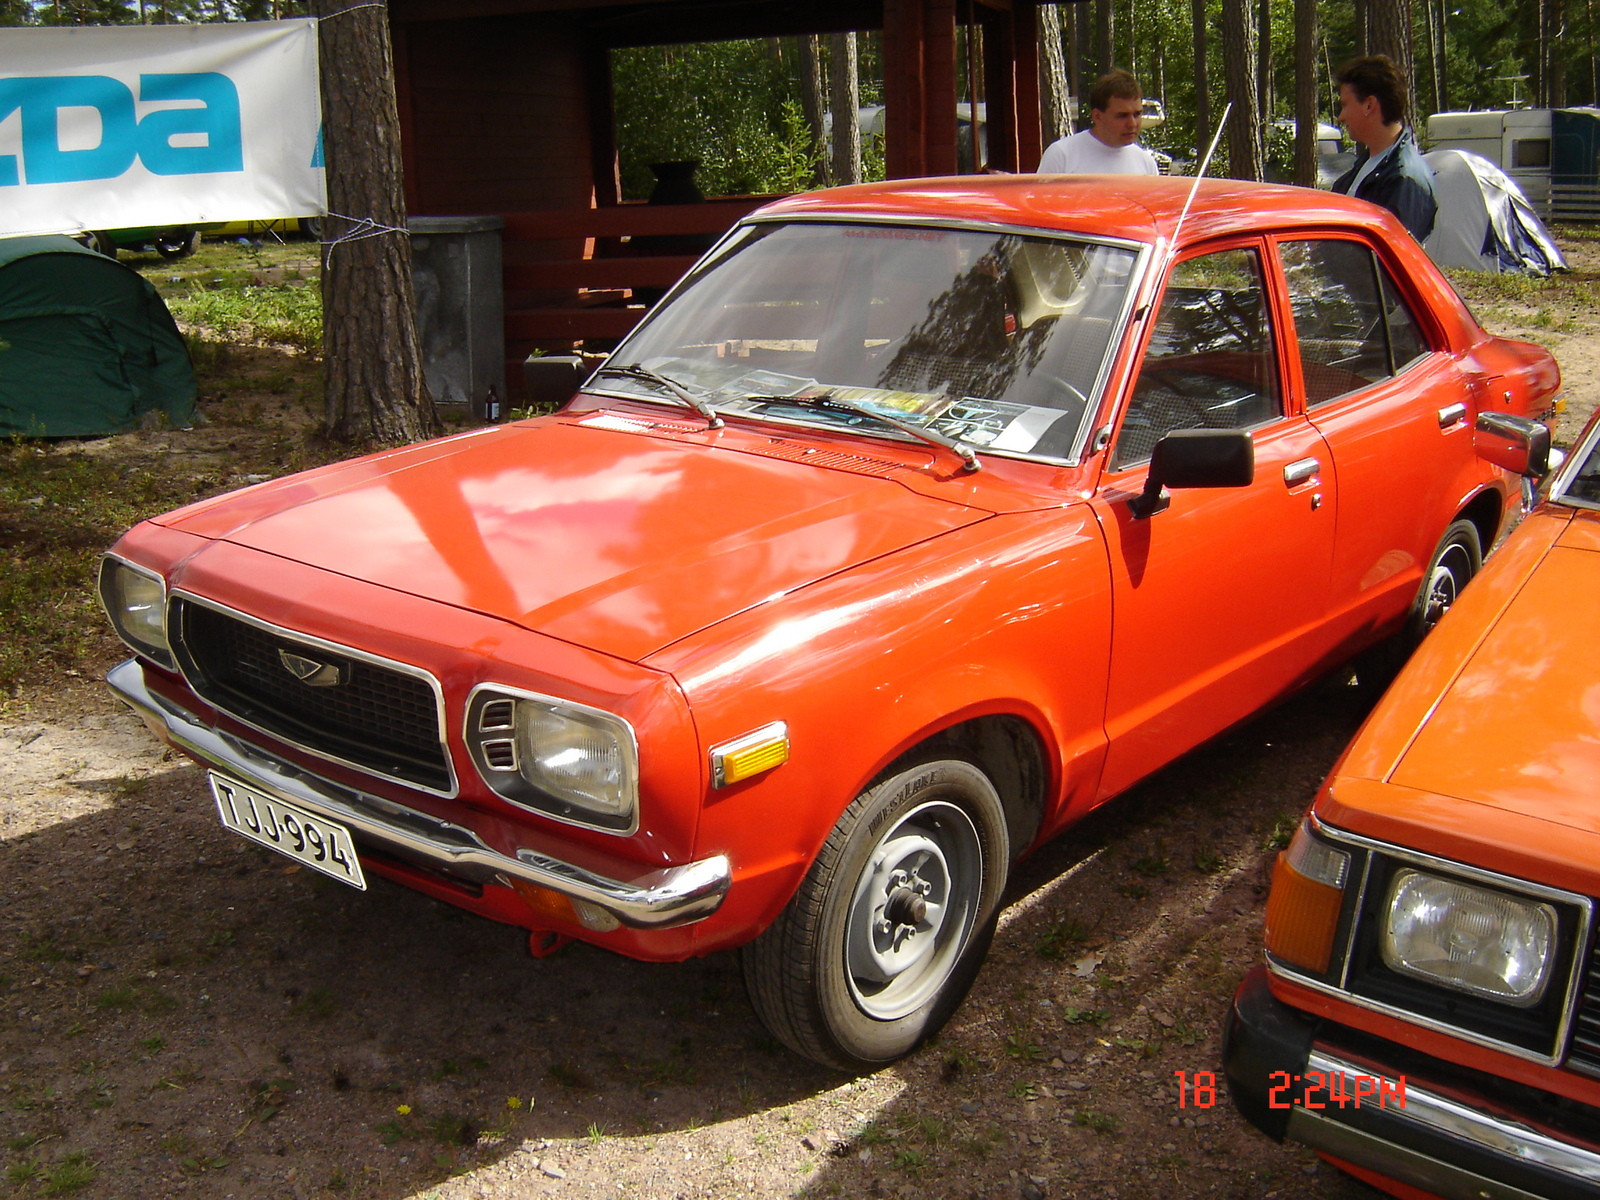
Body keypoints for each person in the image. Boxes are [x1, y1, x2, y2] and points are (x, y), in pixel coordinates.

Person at [1331, 55, 1437, 242]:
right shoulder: (1367, 165)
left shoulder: (1405, 179)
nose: (1341, 116)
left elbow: (1393, 259)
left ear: (1369, 105)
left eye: (1345, 105)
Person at [1037, 70, 1160, 175]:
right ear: (1097, 116)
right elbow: (1039, 202)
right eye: (1122, 116)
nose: (1132, 124)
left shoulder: (1146, 164)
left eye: (1137, 114)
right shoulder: (1062, 156)